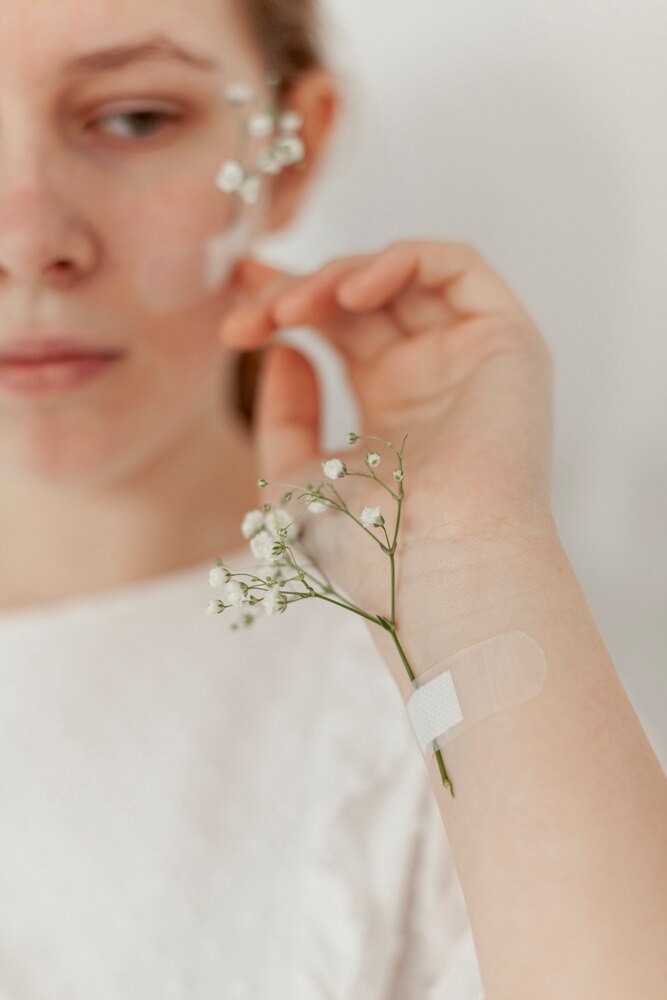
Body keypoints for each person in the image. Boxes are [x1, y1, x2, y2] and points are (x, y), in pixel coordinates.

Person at [0, 3, 665, 1000]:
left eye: (136, 118)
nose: (27, 239)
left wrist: (472, 567)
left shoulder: (463, 696)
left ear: (288, 150)